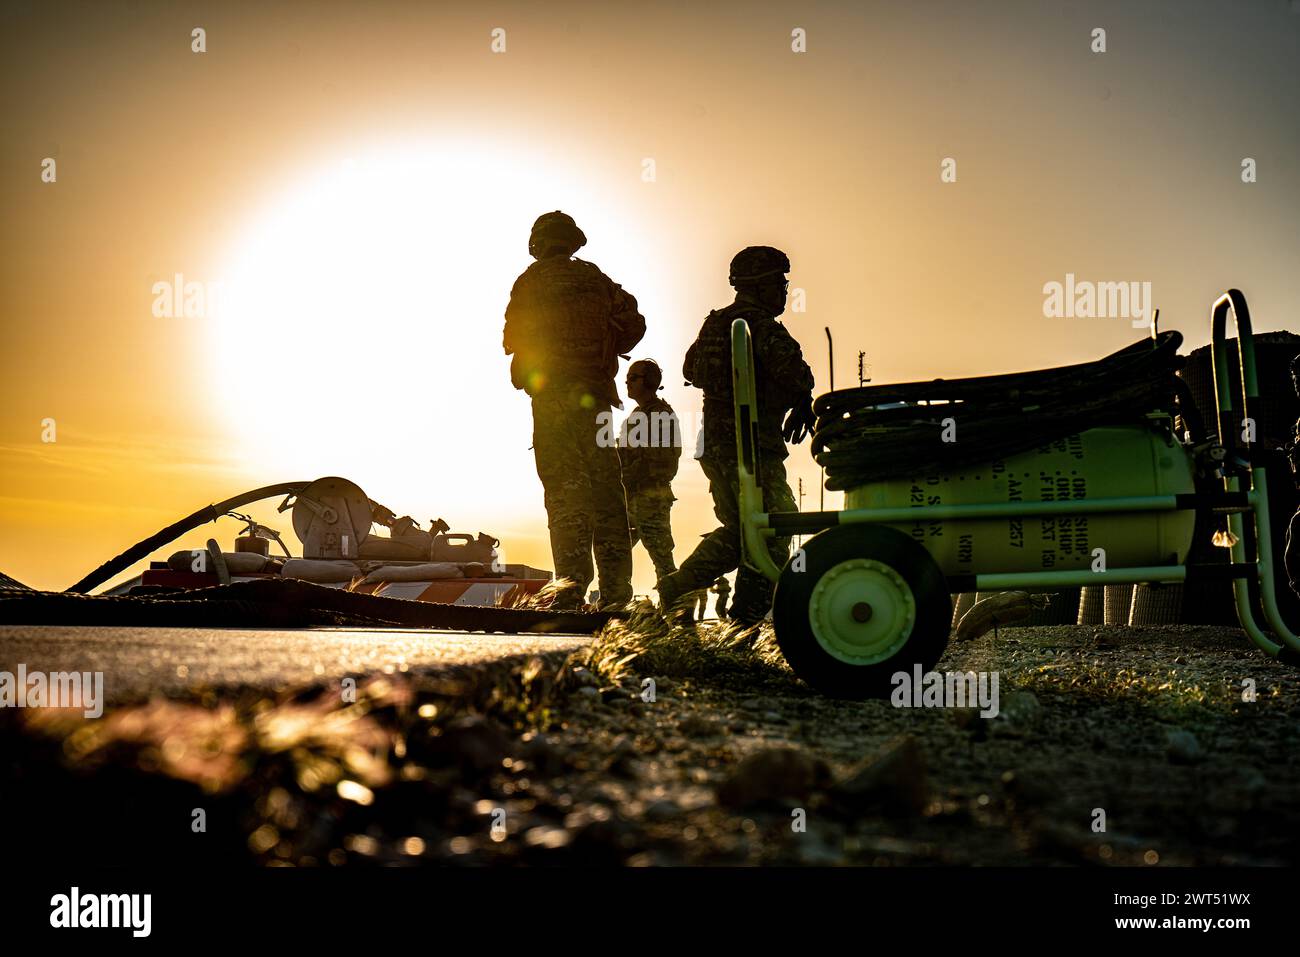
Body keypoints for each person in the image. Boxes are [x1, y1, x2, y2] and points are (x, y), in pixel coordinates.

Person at [656, 245, 815, 624]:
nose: (784, 290)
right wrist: (802, 397)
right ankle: (744, 622)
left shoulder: (715, 323)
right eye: (779, 282)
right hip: (752, 449)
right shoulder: (760, 326)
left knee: (742, 529)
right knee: (774, 529)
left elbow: (691, 368)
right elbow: (797, 374)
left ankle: (678, 586)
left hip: (717, 446)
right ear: (761, 285)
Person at [503, 211, 645, 609]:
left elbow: (512, 337)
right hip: (596, 399)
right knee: (606, 493)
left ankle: (569, 588)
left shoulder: (529, 283)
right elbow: (635, 323)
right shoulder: (597, 279)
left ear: (539, 242)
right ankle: (616, 595)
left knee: (566, 491)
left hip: (552, 400)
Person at [618, 359, 682, 586]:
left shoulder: (661, 414)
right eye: (627, 379)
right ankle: (614, 602)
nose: (628, 383)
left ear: (651, 381)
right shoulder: (637, 415)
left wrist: (634, 462)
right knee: (615, 551)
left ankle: (677, 607)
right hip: (630, 496)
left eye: (633, 378)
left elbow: (666, 458)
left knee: (662, 557)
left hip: (651, 497)